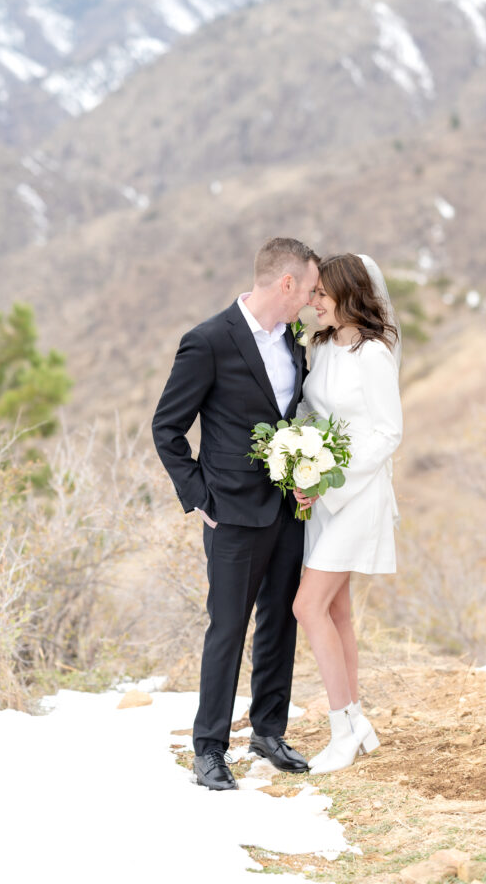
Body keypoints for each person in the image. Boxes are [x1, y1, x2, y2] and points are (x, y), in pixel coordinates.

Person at [152, 238, 319, 791]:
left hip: (286, 508)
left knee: (281, 621)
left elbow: (289, 415)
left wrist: (303, 475)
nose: (315, 300)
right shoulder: (207, 341)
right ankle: (209, 748)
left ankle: (269, 731)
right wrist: (201, 496)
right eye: (311, 289)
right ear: (286, 284)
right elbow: (167, 428)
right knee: (227, 628)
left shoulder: (295, 341)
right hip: (232, 514)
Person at [292, 253, 403, 774]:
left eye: (319, 295)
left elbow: (388, 432)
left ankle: (340, 730)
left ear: (345, 294)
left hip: (356, 494)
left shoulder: (373, 354)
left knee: (306, 606)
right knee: (336, 612)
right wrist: (299, 455)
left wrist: (329, 478)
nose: (312, 302)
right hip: (325, 498)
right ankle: (356, 719)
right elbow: (314, 409)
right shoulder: (323, 347)